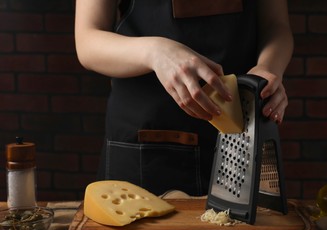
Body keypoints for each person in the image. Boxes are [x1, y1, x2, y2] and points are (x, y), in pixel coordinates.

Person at [74, 0, 293, 196]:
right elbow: (87, 41)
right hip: (145, 138)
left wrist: (268, 69)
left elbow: (276, 26)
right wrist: (156, 51)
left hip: (240, 131)